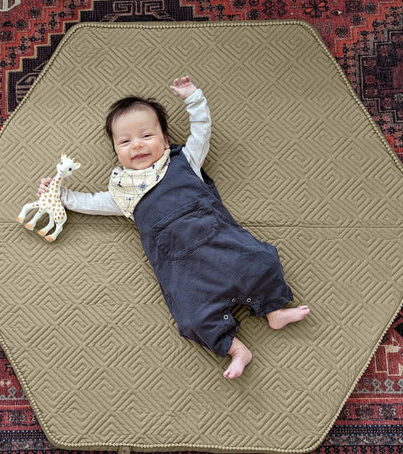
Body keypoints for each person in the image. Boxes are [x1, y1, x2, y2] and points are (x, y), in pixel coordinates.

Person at [37, 77, 310, 379]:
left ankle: (273, 310)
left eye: (146, 135)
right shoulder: (122, 193)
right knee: (192, 317)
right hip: (184, 272)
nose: (137, 144)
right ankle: (235, 349)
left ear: (165, 141)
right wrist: (59, 194)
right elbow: (88, 203)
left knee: (262, 260)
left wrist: (194, 99)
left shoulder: (184, 161)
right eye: (125, 141)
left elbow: (201, 132)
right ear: (117, 152)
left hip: (223, 246)